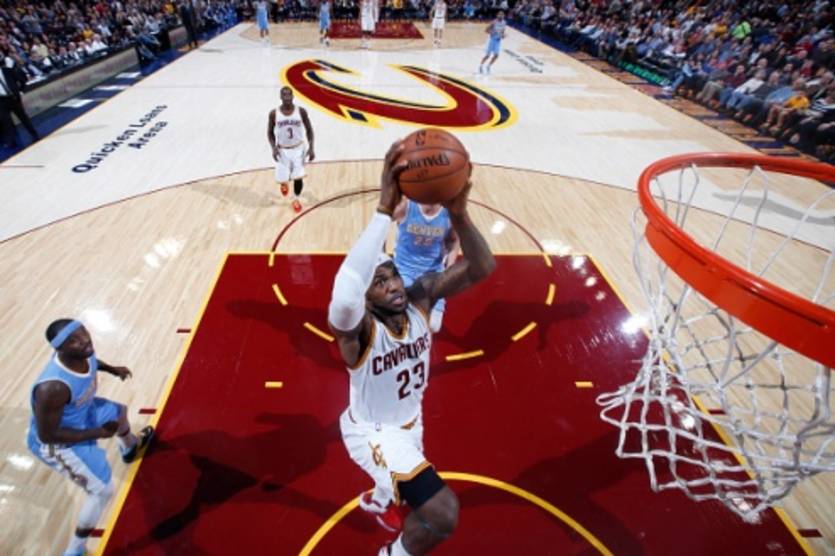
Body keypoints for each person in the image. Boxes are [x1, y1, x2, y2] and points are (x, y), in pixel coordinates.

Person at [328, 140, 495, 556]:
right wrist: (383, 210)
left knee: (406, 486)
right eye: (379, 283)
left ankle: (380, 497)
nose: (392, 286)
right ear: (365, 298)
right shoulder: (358, 332)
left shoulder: (420, 297)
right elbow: (347, 289)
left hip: (409, 422)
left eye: (392, 276)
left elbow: (482, 267)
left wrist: (459, 214)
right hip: (372, 432)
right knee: (443, 513)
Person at [27, 319, 154, 556]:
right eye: (74, 340)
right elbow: (47, 435)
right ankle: (75, 550)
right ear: (60, 349)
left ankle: (129, 448)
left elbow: (93, 362)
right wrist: (98, 432)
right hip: (59, 444)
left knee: (119, 412)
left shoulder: (83, 352)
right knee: (102, 491)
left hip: (83, 414)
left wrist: (112, 369)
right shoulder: (53, 388)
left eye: (83, 332)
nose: (85, 340)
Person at [393, 198, 459, 333]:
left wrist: (450, 268)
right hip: (404, 269)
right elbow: (380, 224)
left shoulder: (450, 212)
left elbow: (454, 240)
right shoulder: (406, 206)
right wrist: (381, 257)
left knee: (434, 326)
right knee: (401, 321)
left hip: (433, 272)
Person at [267, 86, 315, 213]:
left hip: (298, 149)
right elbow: (270, 133)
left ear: (293, 96)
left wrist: (311, 147)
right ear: (280, 97)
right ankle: (284, 182)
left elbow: (309, 130)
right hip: (282, 150)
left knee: (298, 177)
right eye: (284, 95)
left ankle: (296, 199)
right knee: (283, 178)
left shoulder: (301, 111)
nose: (287, 97)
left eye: (289, 94)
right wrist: (273, 148)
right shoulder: (274, 113)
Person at [0, 55, 39, 147]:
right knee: (6, 122)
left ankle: (34, 134)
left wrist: (21, 91)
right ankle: (11, 141)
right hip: (1, 101)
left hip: (13, 98)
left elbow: (22, 80)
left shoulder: (7, 70)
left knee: (23, 117)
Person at [479, 10, 507, 74]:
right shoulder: (494, 22)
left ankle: (488, 66)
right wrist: (492, 33)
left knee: (496, 55)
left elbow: (503, 31)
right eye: (499, 14)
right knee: (488, 55)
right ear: (497, 15)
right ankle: (480, 66)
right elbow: (486, 30)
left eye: (502, 15)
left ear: (504, 16)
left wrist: (503, 35)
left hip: (498, 41)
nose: (501, 16)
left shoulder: (504, 22)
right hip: (492, 40)